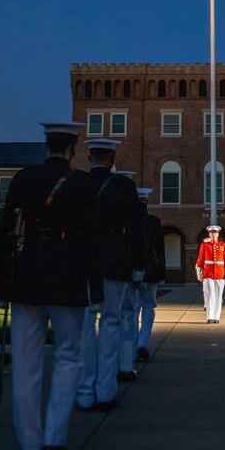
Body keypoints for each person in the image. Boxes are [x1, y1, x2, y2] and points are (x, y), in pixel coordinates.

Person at [0, 121, 98, 450]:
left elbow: (5, 233)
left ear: (46, 147)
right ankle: (55, 441)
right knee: (69, 357)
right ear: (72, 150)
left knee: (25, 366)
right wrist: (93, 289)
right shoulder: (82, 184)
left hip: (26, 278)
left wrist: (0, 288)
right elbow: (90, 242)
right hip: (67, 280)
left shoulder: (23, 179)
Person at [77, 139, 145, 410]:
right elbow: (136, 230)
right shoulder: (124, 186)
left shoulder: (78, 184)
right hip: (114, 263)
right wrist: (137, 266)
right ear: (113, 157)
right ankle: (105, 391)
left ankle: (84, 391)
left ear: (89, 156)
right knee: (111, 324)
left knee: (84, 326)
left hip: (82, 264)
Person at [134, 188, 166, 362]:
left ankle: (131, 346)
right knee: (148, 307)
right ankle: (143, 344)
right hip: (150, 271)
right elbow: (159, 250)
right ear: (146, 202)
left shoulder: (129, 220)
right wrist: (162, 272)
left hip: (131, 271)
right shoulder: (154, 221)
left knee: (133, 309)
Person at [195, 225, 225, 323]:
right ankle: (210, 317)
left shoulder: (224, 246)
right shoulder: (204, 246)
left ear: (218, 234)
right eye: (211, 233)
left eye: (215, 233)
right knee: (210, 294)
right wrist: (199, 274)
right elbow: (200, 261)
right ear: (209, 234)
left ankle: (216, 317)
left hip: (220, 273)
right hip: (208, 273)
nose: (213, 234)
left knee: (219, 295)